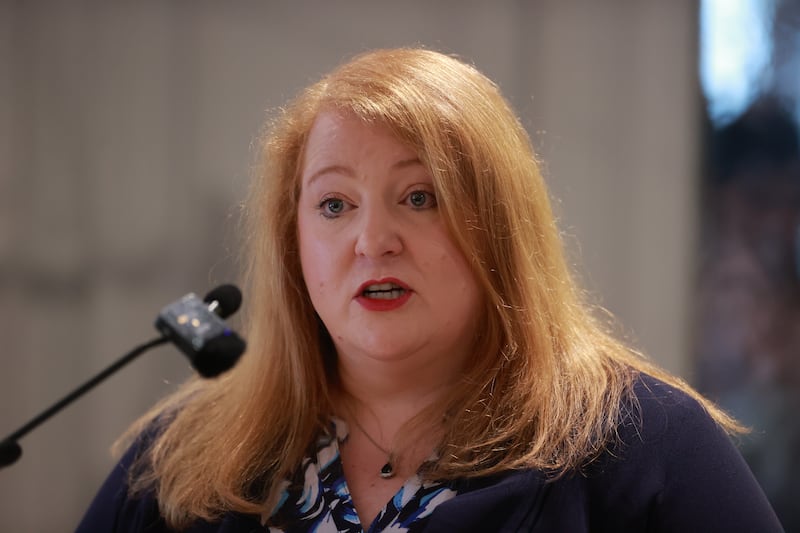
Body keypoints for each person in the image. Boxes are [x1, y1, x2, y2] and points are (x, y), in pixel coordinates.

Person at [76, 48, 784, 532]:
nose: (373, 238)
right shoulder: (185, 455)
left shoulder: (641, 440)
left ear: (499, 228)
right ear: (293, 243)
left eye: (419, 197)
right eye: (334, 204)